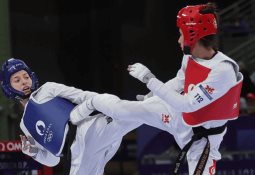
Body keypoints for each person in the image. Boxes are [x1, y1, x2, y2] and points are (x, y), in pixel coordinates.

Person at [84, 3, 243, 175]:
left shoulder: (222, 71)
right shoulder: (189, 57)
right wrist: (152, 96)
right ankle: (85, 113)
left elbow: (187, 104)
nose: (179, 40)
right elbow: (179, 81)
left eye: (181, 34)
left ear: (193, 35)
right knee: (124, 109)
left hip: (202, 140)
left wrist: (149, 79)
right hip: (176, 117)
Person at [0, 58, 145, 175]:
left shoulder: (47, 89)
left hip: (87, 131)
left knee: (129, 117)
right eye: (17, 80)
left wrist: (110, 106)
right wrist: (33, 152)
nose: (24, 81)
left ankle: (155, 100)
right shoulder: (25, 125)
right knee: (132, 116)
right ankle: (150, 104)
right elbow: (53, 160)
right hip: (76, 157)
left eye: (25, 76)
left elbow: (84, 96)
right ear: (9, 88)